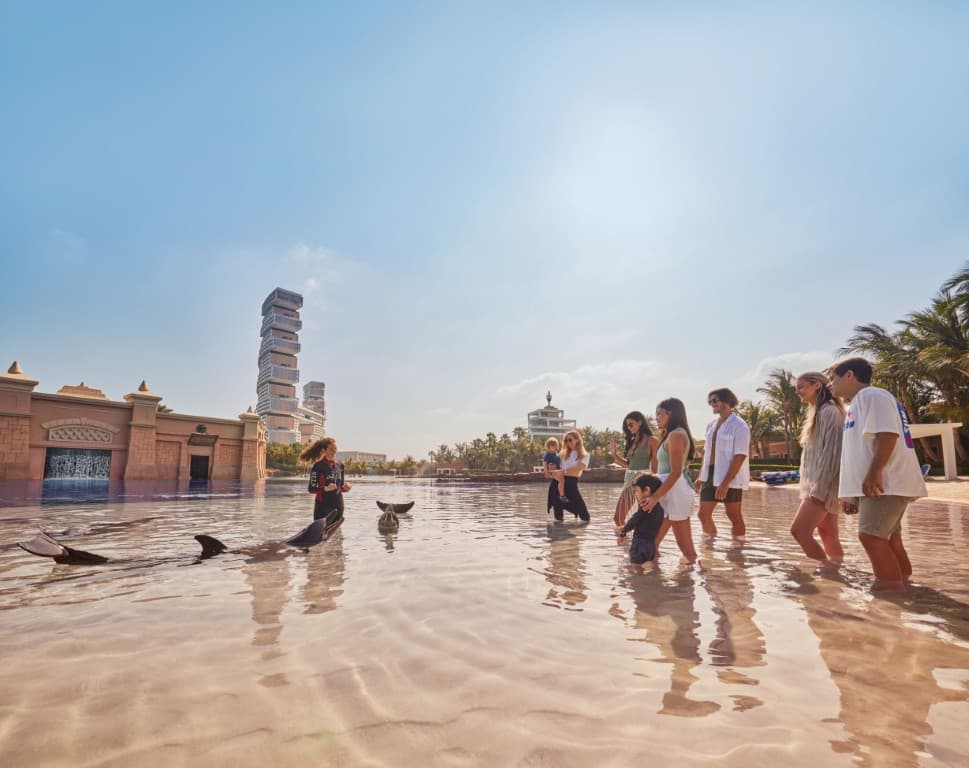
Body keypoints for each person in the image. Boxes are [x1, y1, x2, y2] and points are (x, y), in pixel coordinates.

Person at [828, 358, 927, 591]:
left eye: (833, 378)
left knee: (870, 536)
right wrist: (850, 494)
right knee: (890, 538)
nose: (831, 384)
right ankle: (906, 587)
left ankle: (890, 597)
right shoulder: (858, 404)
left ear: (849, 375)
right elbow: (857, 451)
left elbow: (887, 434)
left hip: (886, 482)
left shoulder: (873, 396)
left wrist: (875, 473)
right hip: (878, 485)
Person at [790, 371, 845, 567]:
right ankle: (837, 570)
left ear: (817, 386)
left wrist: (818, 489)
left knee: (799, 531)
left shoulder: (829, 412)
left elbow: (832, 453)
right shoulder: (818, 412)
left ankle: (828, 574)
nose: (798, 392)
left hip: (823, 486)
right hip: (820, 484)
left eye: (801, 387)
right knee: (828, 533)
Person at [641, 398, 699, 565]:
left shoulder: (676, 435)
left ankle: (644, 583)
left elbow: (675, 472)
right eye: (656, 414)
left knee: (650, 543)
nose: (657, 418)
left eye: (660, 414)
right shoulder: (673, 435)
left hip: (673, 492)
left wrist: (654, 497)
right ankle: (692, 582)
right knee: (686, 549)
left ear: (671, 413)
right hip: (671, 491)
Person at [695, 388, 751, 540]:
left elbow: (740, 455)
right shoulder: (710, 426)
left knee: (733, 515)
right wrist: (701, 476)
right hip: (710, 474)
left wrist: (726, 482)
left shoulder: (739, 426)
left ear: (727, 401)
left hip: (730, 475)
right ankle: (709, 547)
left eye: (715, 401)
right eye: (710, 402)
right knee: (703, 514)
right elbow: (707, 453)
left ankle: (738, 547)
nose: (711, 404)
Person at [610, 411, 660, 527]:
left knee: (644, 518)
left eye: (631, 424)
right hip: (629, 482)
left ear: (640, 423)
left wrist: (654, 490)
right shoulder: (632, 442)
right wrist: (614, 454)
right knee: (618, 518)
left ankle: (640, 542)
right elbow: (629, 465)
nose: (628, 428)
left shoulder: (652, 441)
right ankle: (625, 543)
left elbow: (656, 467)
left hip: (643, 483)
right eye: (627, 426)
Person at [300, 437, 352, 525]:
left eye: (335, 448)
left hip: (338, 506)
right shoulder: (318, 466)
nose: (334, 451)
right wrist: (325, 488)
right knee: (321, 536)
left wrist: (347, 487)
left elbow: (340, 487)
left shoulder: (340, 465)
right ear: (324, 450)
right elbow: (311, 488)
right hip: (323, 507)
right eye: (331, 449)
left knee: (337, 536)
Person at [617, 474, 665, 567]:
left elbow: (634, 520)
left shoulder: (645, 506)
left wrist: (623, 532)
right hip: (651, 546)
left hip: (639, 544)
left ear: (647, 490)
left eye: (636, 491)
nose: (635, 494)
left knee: (636, 569)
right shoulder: (660, 509)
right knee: (649, 567)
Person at [550, 430, 591, 523]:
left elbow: (579, 468)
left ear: (577, 440)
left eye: (570, 440)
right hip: (558, 482)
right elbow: (555, 468)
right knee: (557, 512)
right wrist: (552, 467)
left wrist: (562, 471)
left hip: (571, 483)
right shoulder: (561, 454)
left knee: (585, 516)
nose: (567, 443)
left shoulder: (585, 455)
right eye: (565, 441)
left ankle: (575, 515)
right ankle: (558, 532)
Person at [543, 437, 569, 506]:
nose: (555, 447)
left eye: (556, 445)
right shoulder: (548, 454)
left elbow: (560, 463)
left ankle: (561, 494)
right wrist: (546, 472)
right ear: (549, 447)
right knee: (561, 480)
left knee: (564, 479)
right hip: (552, 471)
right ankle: (562, 496)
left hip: (558, 470)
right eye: (553, 446)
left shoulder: (557, 454)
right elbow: (545, 464)